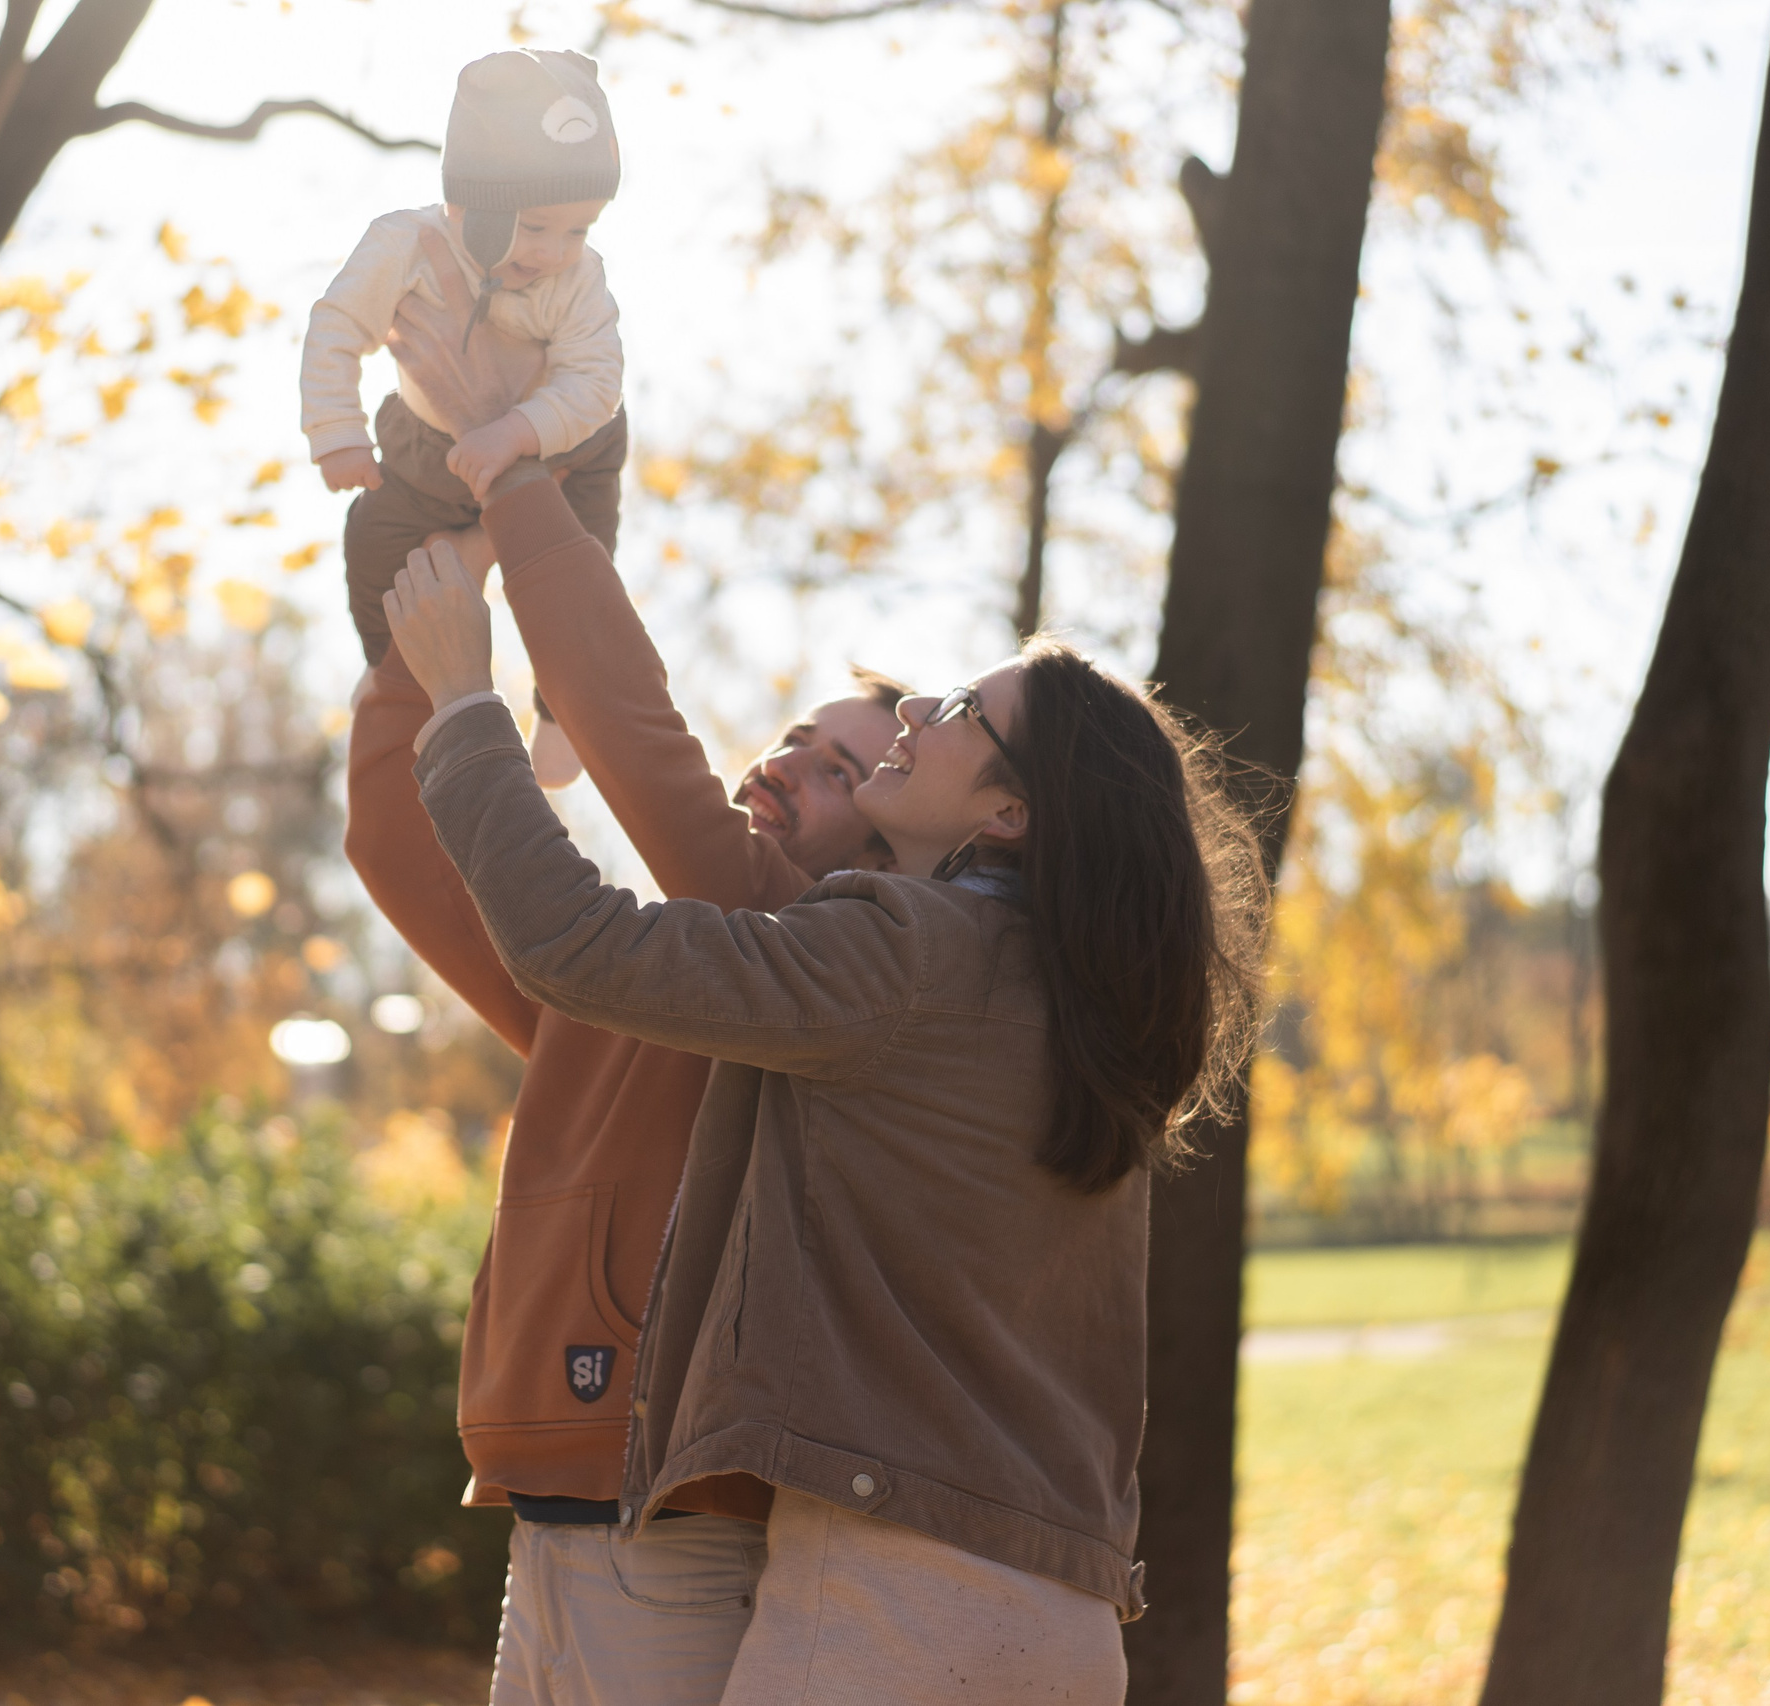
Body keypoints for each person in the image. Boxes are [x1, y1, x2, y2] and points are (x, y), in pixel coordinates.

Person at [384, 541, 1266, 1703]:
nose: (918, 705)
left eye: (960, 709)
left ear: (1008, 811)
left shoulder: (905, 954)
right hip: (1063, 1605)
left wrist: (461, 706)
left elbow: (575, 942)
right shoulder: (1082, 1012)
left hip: (888, 1600)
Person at [342, 252, 910, 1701]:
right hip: (558, 1512)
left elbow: (637, 738)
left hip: (664, 1506)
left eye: (841, 765)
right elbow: (397, 846)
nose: (786, 759)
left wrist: (511, 476)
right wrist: (420, 627)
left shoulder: (815, 943)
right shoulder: (635, 969)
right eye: (793, 729)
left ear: (898, 833)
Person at [303, 46, 625, 787]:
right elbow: (337, 327)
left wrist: (519, 430)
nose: (554, 252)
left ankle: (565, 705)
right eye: (536, 226)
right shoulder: (404, 244)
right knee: (375, 539)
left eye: (578, 230)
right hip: (426, 445)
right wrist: (336, 430)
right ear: (465, 198)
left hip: (562, 440)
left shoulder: (580, 278)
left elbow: (596, 380)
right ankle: (395, 675)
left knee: (577, 564)